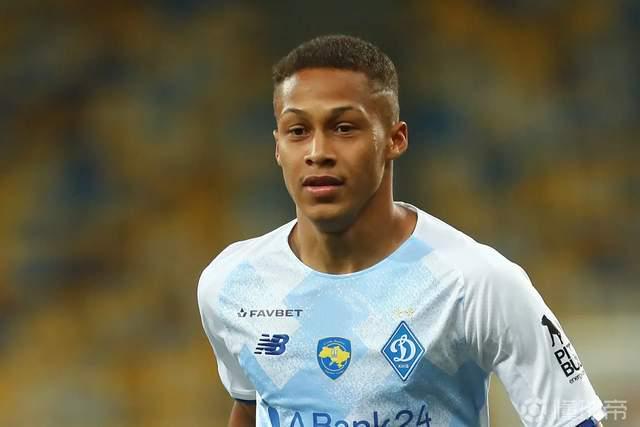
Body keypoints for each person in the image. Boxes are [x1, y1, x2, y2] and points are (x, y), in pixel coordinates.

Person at [197, 35, 605, 427]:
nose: (318, 152)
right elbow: (250, 408)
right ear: (277, 147)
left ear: (395, 139)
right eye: (298, 131)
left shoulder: (475, 283)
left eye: (344, 128)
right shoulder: (233, 284)